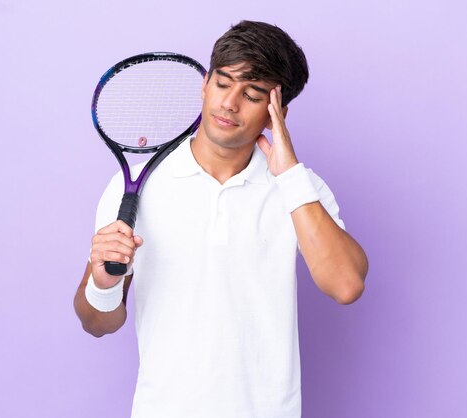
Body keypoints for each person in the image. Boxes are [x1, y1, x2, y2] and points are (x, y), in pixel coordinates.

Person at [74, 20, 368, 418]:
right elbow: (97, 323)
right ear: (205, 84)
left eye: (251, 94)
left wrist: (288, 174)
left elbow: (346, 285)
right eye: (222, 83)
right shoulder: (136, 188)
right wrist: (104, 283)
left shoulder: (299, 187)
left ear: (276, 111)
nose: (229, 103)